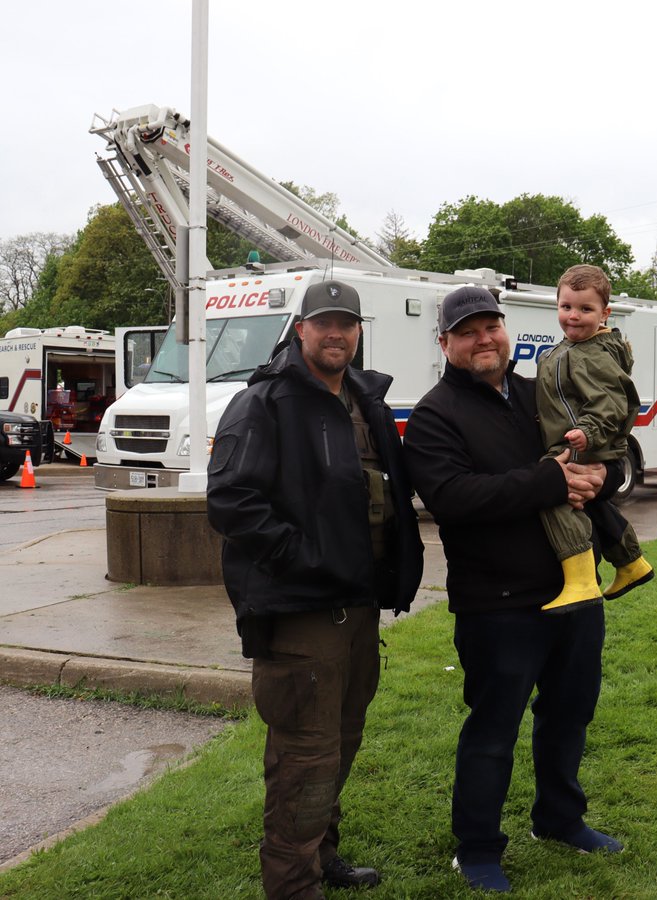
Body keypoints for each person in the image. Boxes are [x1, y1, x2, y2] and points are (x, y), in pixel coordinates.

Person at [207, 279, 424, 900]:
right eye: (323, 323)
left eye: (347, 324)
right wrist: (304, 560)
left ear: (359, 332)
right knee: (305, 754)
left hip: (357, 606)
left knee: (342, 739)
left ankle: (322, 854)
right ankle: (293, 885)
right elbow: (231, 500)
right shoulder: (264, 404)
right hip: (298, 611)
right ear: (299, 329)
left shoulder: (366, 402)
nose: (336, 334)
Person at [403, 285, 624, 893]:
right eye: (467, 330)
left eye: (491, 327)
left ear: (506, 331)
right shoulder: (433, 415)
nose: (483, 339)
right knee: (493, 728)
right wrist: (551, 480)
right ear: (444, 342)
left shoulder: (542, 391)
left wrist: (607, 475)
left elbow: (610, 447)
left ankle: (560, 820)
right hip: (498, 604)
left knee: (568, 715)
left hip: (575, 593)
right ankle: (477, 848)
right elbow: (454, 499)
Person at [536, 264, 653, 613]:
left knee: (555, 494)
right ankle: (631, 563)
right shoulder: (570, 348)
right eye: (566, 307)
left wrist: (587, 433)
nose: (573, 316)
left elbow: (612, 403)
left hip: (582, 442)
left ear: (605, 313)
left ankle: (582, 580)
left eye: (585, 309)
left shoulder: (594, 355)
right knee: (594, 502)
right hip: (577, 440)